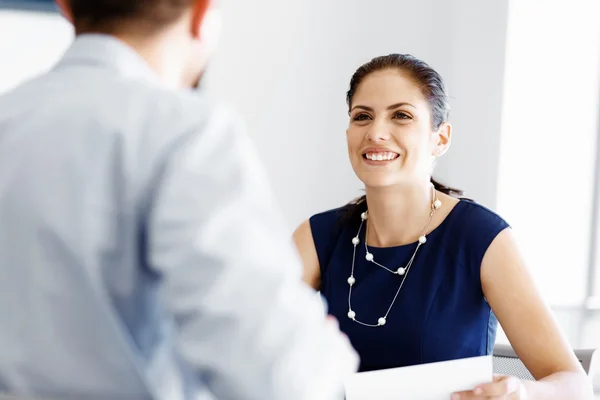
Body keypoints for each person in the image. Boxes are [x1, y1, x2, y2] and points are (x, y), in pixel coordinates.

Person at [0, 1, 359, 399]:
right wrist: (314, 350)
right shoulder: (183, 132)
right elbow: (284, 379)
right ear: (203, 12)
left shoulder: (8, 121)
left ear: (65, 6)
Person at [293, 53, 594, 399]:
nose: (376, 132)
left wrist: (522, 393)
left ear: (441, 138)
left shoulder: (482, 238)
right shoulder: (318, 237)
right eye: (363, 117)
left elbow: (574, 385)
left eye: (401, 116)